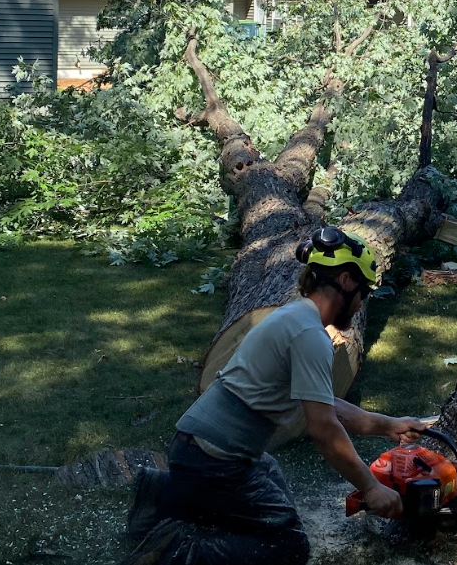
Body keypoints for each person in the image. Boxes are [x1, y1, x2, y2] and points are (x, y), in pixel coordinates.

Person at [122, 226, 428, 565]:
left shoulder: (296, 317)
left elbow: (325, 403)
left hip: (198, 446)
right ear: (345, 280)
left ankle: (163, 494)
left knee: (269, 473)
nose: (360, 304)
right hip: (214, 459)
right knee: (285, 547)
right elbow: (324, 430)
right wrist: (370, 486)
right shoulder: (309, 336)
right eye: (364, 293)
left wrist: (390, 426)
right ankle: (172, 553)